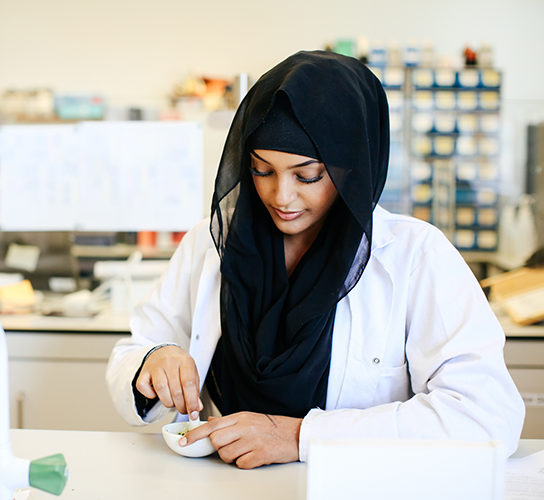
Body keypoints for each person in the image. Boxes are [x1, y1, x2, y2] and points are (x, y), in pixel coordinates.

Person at [106, 50, 525, 469]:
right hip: (228, 485)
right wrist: (153, 361)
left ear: (351, 168)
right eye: (261, 170)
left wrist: (301, 437)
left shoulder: (415, 256)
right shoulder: (212, 242)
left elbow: (486, 417)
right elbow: (136, 348)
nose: (281, 196)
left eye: (307, 175)